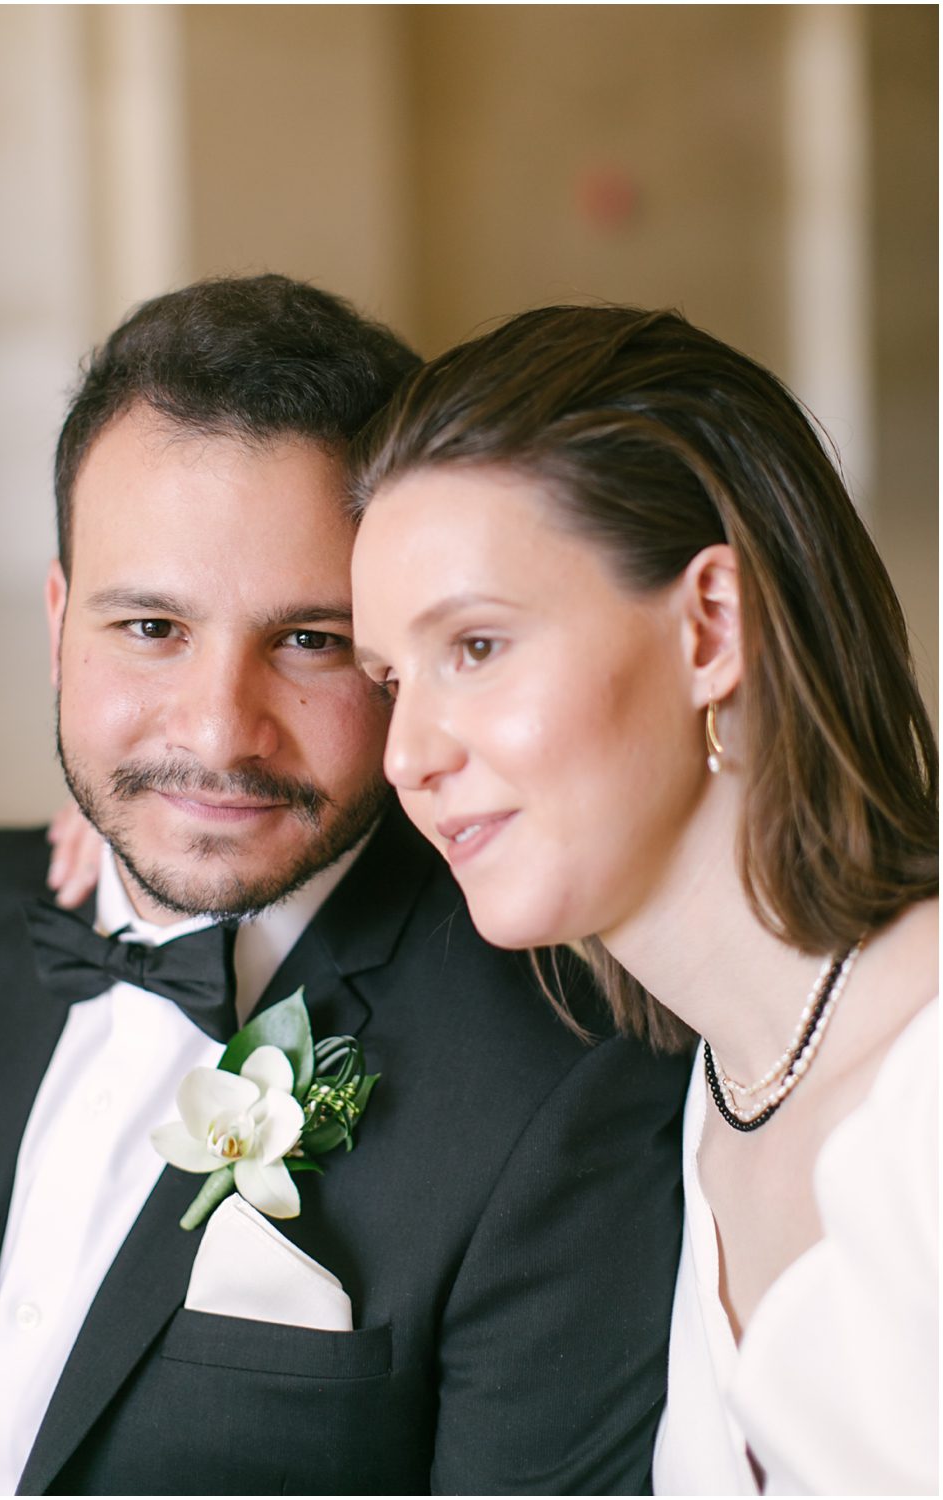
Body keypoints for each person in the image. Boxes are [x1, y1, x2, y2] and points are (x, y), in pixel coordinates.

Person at [0, 275, 690, 1495]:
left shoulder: (562, 1088)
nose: (218, 732)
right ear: (58, 623)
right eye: (150, 629)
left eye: (309, 640)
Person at [347, 305, 938, 1495]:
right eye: (390, 680)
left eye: (474, 648)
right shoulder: (712, 1102)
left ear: (709, 628)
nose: (404, 754)